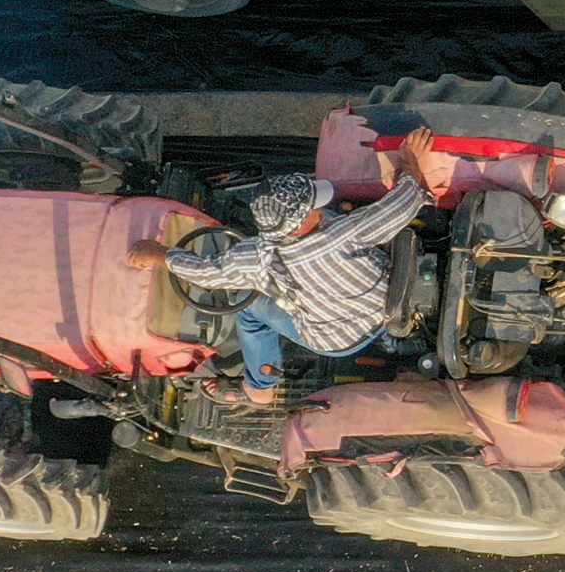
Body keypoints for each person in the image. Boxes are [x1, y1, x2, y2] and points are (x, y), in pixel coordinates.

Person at [125, 171, 426, 406]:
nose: (318, 207)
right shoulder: (344, 231)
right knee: (336, 215)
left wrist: (160, 255)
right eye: (313, 206)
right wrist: (411, 163)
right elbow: (407, 200)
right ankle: (391, 340)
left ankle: (260, 388)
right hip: (388, 305)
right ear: (297, 225)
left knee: (248, 306)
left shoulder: (256, 256)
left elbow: (206, 273)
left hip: (338, 339)